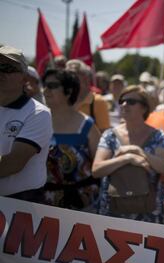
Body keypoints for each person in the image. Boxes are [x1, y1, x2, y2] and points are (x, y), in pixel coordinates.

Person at [92, 85, 164, 223]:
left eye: (131, 101)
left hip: (147, 213)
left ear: (144, 108)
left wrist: (138, 151)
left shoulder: (158, 136)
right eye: (122, 101)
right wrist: (128, 158)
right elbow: (97, 170)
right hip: (111, 211)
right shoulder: (109, 135)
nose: (124, 104)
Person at [41, 69, 101, 211]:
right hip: (44, 203)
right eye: (45, 85)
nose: (45, 90)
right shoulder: (37, 122)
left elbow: (100, 167)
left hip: (84, 205)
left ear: (68, 91)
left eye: (52, 85)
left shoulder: (87, 125)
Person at [0, 45, 52, 200]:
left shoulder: (38, 113)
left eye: (7, 68)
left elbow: (13, 163)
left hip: (22, 203)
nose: (1, 72)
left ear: (24, 78)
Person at [66, 59, 110, 132]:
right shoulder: (64, 102)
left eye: (75, 75)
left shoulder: (98, 102)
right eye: (68, 75)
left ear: (86, 78)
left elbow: (105, 134)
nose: (71, 79)